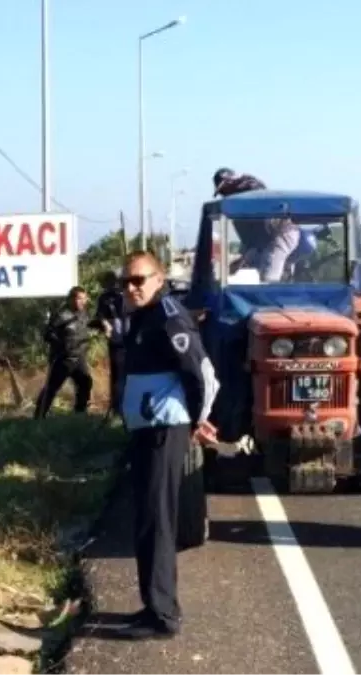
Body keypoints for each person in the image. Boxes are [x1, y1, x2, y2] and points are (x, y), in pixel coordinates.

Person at [115, 250, 219, 640]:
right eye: (125, 281)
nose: (130, 287)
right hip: (147, 431)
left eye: (138, 280)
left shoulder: (168, 317)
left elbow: (202, 372)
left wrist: (198, 419)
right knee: (146, 518)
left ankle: (164, 616)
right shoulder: (141, 317)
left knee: (158, 520)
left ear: (159, 279)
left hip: (164, 432)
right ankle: (151, 606)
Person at [213, 167, 301, 282]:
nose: (224, 195)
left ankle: (269, 294)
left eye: (224, 190)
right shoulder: (239, 213)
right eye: (221, 192)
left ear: (230, 182)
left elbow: (257, 231)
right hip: (267, 237)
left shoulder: (249, 187)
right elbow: (250, 240)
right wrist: (242, 261)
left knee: (269, 274)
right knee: (256, 267)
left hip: (282, 233)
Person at [34, 286, 95, 419]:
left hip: (79, 358)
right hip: (63, 359)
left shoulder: (84, 315)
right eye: (78, 298)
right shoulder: (62, 315)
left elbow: (90, 326)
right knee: (52, 387)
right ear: (71, 299)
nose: (81, 301)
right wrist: (61, 345)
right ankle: (39, 416)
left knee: (85, 383)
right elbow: (47, 334)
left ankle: (80, 413)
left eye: (84, 299)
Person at [92, 269, 128, 418]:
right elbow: (100, 315)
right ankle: (117, 408)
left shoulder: (125, 294)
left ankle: (126, 406)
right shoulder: (104, 298)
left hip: (129, 338)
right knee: (117, 374)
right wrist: (105, 324)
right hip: (116, 339)